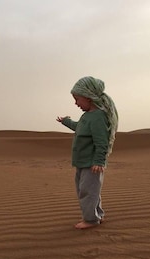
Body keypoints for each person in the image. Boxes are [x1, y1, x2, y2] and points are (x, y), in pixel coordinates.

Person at [56, 76, 118, 229]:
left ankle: (91, 219)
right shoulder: (88, 116)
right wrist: (66, 122)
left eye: (77, 99)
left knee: (87, 192)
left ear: (89, 98)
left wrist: (99, 161)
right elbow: (80, 127)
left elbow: (101, 142)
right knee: (89, 190)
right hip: (83, 162)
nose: (75, 103)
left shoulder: (98, 117)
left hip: (91, 164)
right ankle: (98, 215)